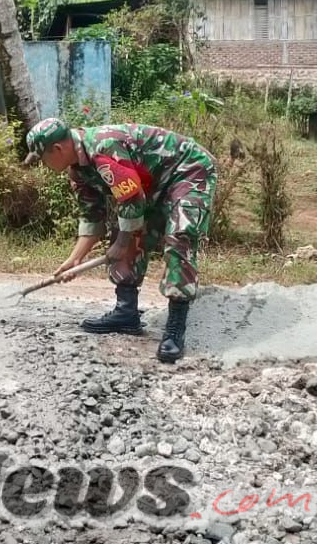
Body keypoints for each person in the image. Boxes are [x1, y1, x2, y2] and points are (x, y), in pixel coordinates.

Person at [24, 117, 217, 363]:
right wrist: (74, 259)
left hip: (188, 171)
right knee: (124, 229)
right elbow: (92, 218)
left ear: (58, 150)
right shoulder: (77, 171)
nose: (44, 165)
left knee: (180, 236)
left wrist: (122, 243)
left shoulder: (104, 148)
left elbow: (132, 198)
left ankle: (175, 328)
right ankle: (127, 313)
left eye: (43, 159)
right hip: (150, 181)